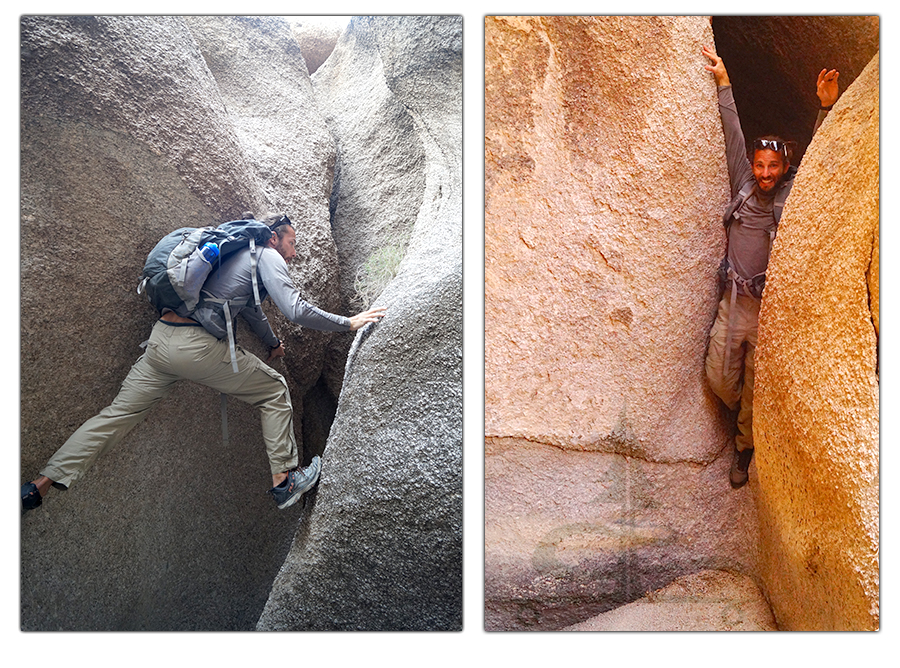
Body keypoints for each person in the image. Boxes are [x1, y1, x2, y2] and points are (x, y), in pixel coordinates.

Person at [22, 213, 386, 511]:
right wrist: (348, 323)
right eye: (291, 243)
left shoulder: (229, 261)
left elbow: (250, 311)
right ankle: (286, 480)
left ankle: (40, 485)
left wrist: (272, 343)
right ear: (273, 238)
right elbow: (294, 309)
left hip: (160, 342)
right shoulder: (266, 255)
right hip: (194, 348)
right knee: (274, 390)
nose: (292, 254)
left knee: (115, 416)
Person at [701, 45, 839, 488]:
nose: (763, 172)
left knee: (758, 388)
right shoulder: (742, 184)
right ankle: (742, 417)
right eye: (759, 165)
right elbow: (733, 134)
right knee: (719, 379)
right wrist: (724, 82)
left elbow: (819, 161)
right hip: (734, 300)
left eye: (772, 166)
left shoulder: (787, 193)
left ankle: (744, 450)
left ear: (783, 168)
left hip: (769, 310)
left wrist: (826, 108)